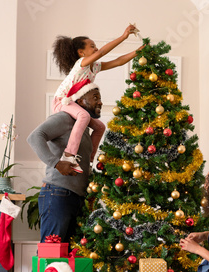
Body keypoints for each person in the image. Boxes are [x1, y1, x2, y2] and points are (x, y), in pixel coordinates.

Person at [52, 24, 143, 173]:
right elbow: (101, 52)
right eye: (92, 46)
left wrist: (138, 52)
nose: (95, 49)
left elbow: (118, 61)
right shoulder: (81, 64)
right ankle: (69, 156)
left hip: (73, 103)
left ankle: (88, 160)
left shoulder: (94, 66)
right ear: (81, 52)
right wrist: (123, 36)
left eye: (95, 46)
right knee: (83, 115)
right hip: (61, 101)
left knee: (100, 127)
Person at [27, 81, 102, 245]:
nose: (100, 102)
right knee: (51, 254)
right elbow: (34, 137)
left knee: (67, 257)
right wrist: (57, 163)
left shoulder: (82, 126)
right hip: (58, 194)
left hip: (75, 197)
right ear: (81, 101)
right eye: (95, 97)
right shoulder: (65, 118)